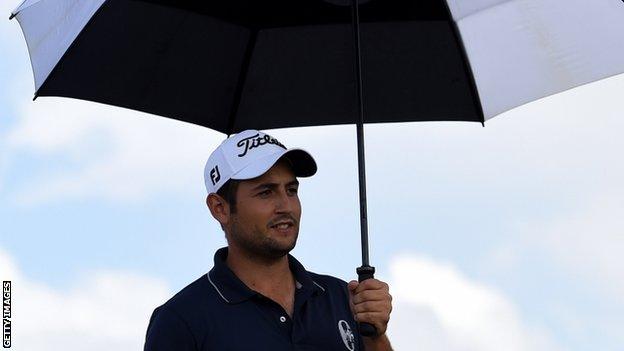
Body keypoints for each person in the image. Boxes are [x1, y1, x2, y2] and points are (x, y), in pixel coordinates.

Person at [144, 130, 393, 350]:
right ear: (219, 208)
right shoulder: (181, 319)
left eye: (291, 190)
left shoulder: (342, 299)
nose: (286, 206)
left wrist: (375, 337)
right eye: (266, 192)